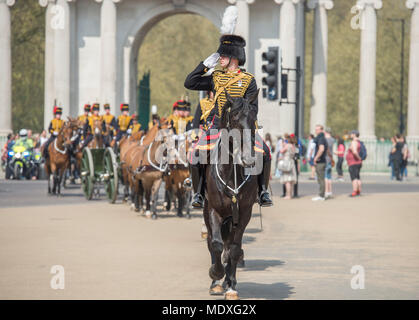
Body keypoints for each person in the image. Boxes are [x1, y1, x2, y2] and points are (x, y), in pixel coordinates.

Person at [184, 34, 273, 207]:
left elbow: (253, 108)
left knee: (265, 152)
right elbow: (190, 83)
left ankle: (262, 191)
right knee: (196, 154)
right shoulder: (216, 77)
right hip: (218, 126)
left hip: (242, 127)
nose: (219, 59)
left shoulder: (248, 80)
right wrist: (204, 66)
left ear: (234, 57)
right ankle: (199, 193)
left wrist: (242, 118)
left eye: (222, 56)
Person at [312, 125, 328, 201]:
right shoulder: (323, 138)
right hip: (322, 161)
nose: (316, 131)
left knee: (321, 179)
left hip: (320, 161)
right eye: (315, 129)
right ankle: (322, 195)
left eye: (317, 130)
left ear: (321, 130)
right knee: (321, 179)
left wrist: (315, 158)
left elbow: (321, 149)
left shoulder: (321, 138)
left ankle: (321, 196)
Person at [279, 135, 297, 199]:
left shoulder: (288, 145)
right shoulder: (293, 146)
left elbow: (281, 151)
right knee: (291, 180)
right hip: (291, 162)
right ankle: (290, 194)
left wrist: (282, 145)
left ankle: (288, 195)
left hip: (286, 162)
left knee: (287, 180)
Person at [346, 130, 363, 197]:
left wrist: (359, 158)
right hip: (357, 163)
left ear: (354, 134)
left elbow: (355, 152)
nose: (350, 135)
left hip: (353, 162)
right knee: (358, 177)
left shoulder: (354, 142)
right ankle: (358, 191)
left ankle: (355, 191)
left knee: (354, 177)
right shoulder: (359, 142)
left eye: (351, 134)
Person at [324, 128, 334, 199]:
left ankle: (326, 192)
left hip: (325, 159)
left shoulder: (325, 140)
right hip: (330, 159)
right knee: (329, 177)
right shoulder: (332, 139)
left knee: (325, 177)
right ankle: (330, 192)